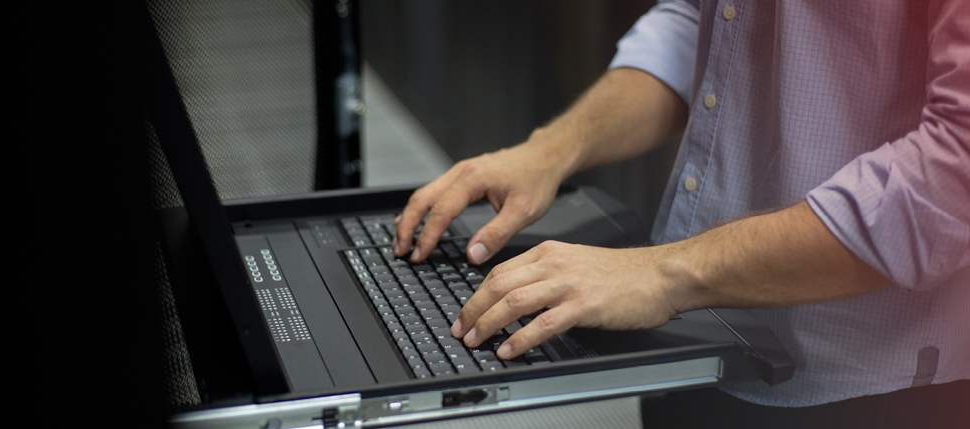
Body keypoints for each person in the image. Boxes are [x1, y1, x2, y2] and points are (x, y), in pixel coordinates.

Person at [392, 1, 969, 427]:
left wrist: (664, 273)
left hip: (860, 381)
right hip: (695, 336)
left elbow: (953, 174)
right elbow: (704, 20)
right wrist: (551, 150)